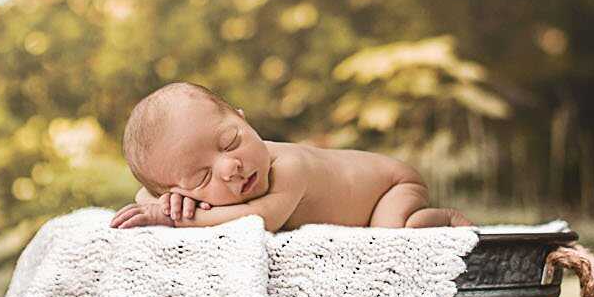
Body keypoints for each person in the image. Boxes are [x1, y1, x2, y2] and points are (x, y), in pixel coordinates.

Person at [109, 81, 472, 230]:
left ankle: (444, 219)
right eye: (202, 178)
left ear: (242, 118)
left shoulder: (289, 168)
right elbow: (149, 195)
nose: (230, 166)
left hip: (389, 186)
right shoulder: (204, 184)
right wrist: (161, 203)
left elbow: (260, 219)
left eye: (231, 141)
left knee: (390, 239)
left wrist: (175, 219)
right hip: (378, 185)